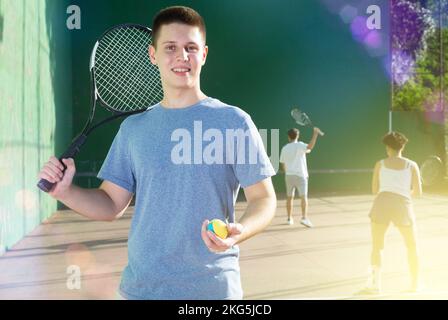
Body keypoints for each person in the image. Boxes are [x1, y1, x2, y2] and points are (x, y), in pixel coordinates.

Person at [38, 6, 277, 300]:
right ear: (153, 55)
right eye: (170, 48)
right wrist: (66, 192)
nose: (182, 56)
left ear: (203, 54)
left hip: (213, 291)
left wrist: (241, 230)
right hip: (139, 291)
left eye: (191, 48)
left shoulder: (234, 122)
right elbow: (111, 203)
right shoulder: (133, 129)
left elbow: (263, 198)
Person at [361, 131, 422, 294]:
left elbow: (375, 190)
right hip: (403, 205)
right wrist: (403, 193)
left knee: (377, 246)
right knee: (412, 246)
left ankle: (375, 286)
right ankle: (414, 285)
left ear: (388, 147)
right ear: (403, 146)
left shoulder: (379, 164)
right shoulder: (412, 165)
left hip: (382, 203)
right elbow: (418, 192)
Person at [279, 127, 322, 227]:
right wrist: (315, 134)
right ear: (297, 136)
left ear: (288, 137)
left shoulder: (285, 148)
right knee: (304, 197)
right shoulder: (300, 145)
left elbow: (282, 163)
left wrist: (287, 172)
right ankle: (304, 218)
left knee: (289, 197)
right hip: (301, 176)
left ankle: (289, 219)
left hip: (289, 176)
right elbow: (310, 147)